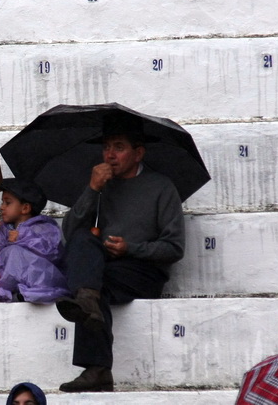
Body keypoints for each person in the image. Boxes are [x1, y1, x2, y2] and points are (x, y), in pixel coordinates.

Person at [56, 116, 185, 392]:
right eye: (106, 148)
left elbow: (174, 248)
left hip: (142, 269)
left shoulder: (162, 187)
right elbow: (69, 231)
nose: (110, 155)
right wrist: (91, 190)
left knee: (91, 288)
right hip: (102, 266)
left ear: (138, 153)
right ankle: (89, 308)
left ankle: (98, 368)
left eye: (119, 147)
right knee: (83, 245)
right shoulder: (100, 184)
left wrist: (131, 248)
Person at [0, 178, 69, 303]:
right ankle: (15, 293)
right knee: (8, 253)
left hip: (42, 282)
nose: (2, 207)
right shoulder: (3, 229)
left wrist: (22, 237)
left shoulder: (44, 227)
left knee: (13, 251)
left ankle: (26, 292)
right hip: (12, 281)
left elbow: (52, 252)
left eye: (7, 203)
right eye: (2, 202)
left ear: (25, 208)